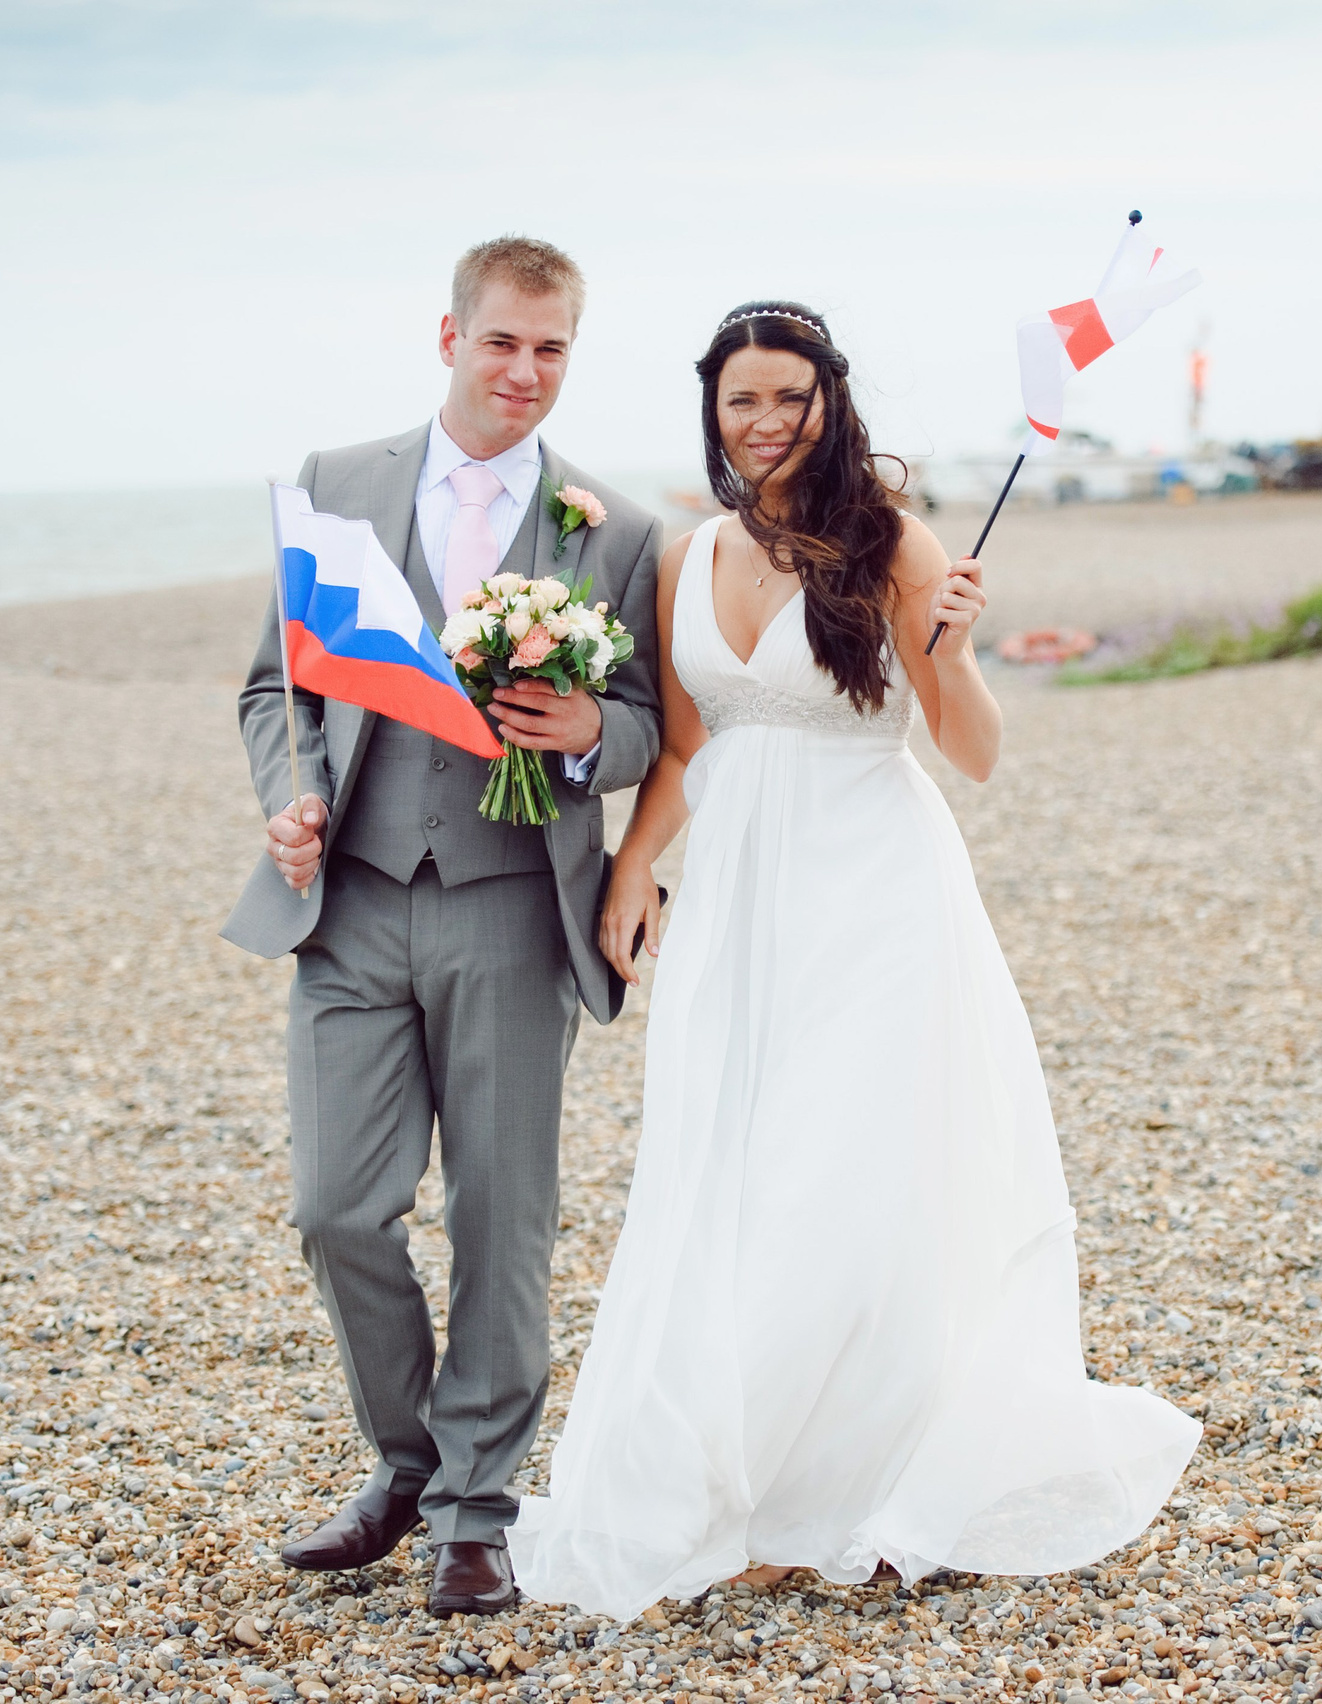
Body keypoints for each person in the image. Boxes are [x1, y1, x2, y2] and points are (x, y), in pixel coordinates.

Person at [506, 302, 1196, 1619]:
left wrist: (955, 650)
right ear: (712, 416)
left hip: (875, 887)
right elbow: (695, 741)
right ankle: (749, 1480)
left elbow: (974, 751)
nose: (764, 423)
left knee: (852, 1171)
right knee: (736, 1167)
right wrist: (638, 864)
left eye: (788, 397)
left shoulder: (896, 542)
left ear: (831, 401)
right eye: (739, 403)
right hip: (739, 896)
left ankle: (853, 1484)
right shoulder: (689, 554)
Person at [221, 236, 665, 1617]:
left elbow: (657, 719)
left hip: (512, 910)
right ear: (449, 337)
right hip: (349, 902)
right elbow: (272, 688)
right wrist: (292, 795)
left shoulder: (618, 525)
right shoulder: (335, 485)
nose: (524, 373)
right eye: (502, 343)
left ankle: (479, 1505)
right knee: (337, 1211)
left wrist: (594, 727)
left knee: (502, 1216)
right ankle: (410, 1464)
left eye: (552, 350)